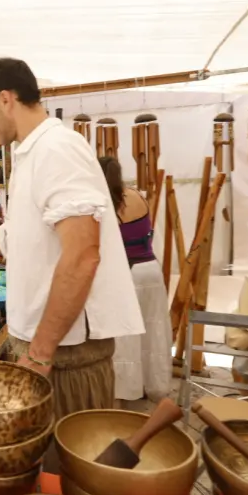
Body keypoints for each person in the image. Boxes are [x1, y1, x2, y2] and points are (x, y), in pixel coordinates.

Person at [0, 58, 144, 419]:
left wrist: (40, 351)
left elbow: (83, 255)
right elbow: (5, 241)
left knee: (66, 466)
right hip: (52, 349)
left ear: (6, 100)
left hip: (64, 354)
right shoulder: (31, 155)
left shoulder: (57, 149)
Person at [98, 157, 172, 401]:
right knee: (153, 329)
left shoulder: (103, 205)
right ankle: (155, 386)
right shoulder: (138, 195)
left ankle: (126, 391)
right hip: (151, 270)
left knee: (125, 336)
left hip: (127, 275)